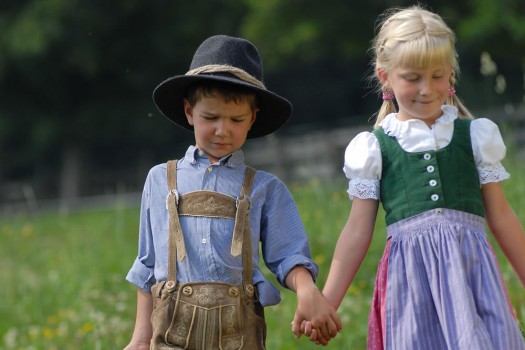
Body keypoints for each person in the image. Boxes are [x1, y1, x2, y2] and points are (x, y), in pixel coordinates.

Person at [293, 5, 525, 349]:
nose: (426, 89)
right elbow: (357, 230)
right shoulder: (375, 148)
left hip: (473, 278)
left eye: (437, 75)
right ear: (385, 76)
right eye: (412, 78)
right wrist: (327, 302)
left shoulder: (475, 136)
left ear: (450, 75)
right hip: (411, 286)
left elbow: (502, 216)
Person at [123, 34, 341, 350]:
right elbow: (147, 265)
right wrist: (140, 339)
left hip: (239, 335)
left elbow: (288, 254)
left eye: (236, 120)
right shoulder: (160, 180)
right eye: (210, 117)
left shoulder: (266, 188)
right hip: (170, 333)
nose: (223, 130)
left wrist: (307, 291)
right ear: (189, 112)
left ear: (252, 119)